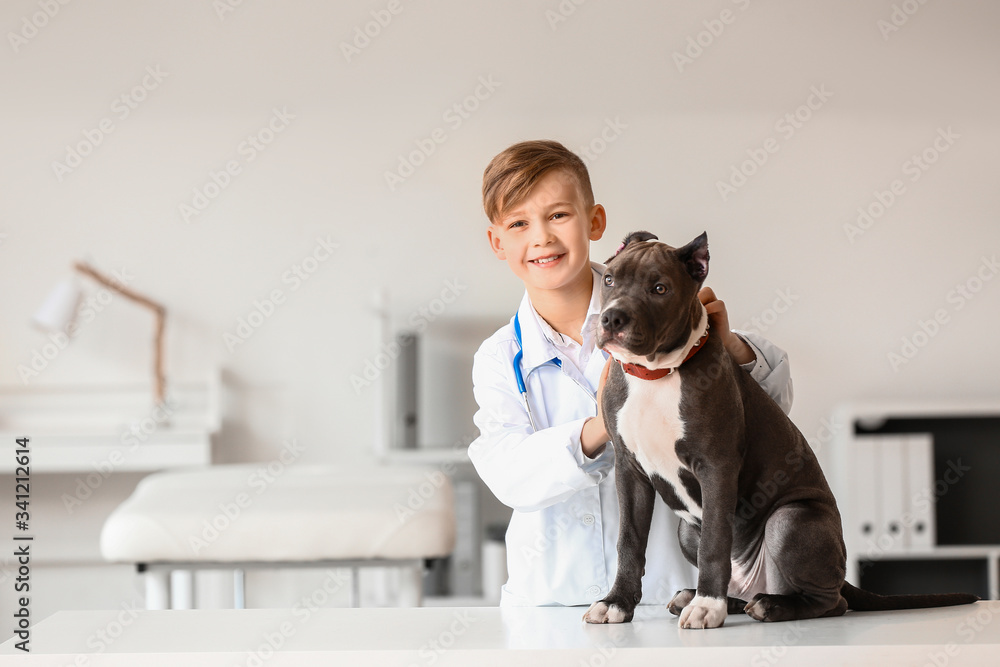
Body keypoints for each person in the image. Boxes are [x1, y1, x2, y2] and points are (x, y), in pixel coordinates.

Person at [468, 140, 793, 607]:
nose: (541, 237)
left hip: (669, 596)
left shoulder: (669, 305)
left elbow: (765, 423)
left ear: (594, 221)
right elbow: (509, 477)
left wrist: (727, 350)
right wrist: (605, 427)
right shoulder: (499, 357)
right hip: (548, 602)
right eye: (519, 223)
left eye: (558, 215)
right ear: (498, 242)